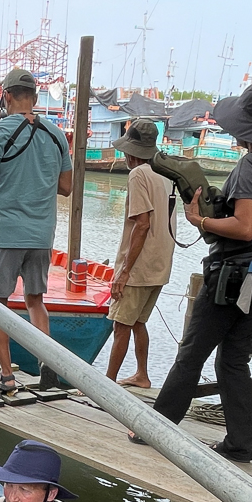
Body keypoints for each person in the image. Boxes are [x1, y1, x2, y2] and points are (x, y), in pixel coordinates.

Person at [146, 80, 252, 462]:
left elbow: (246, 227)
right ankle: (239, 443)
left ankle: (156, 430)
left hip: (234, 276)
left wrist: (199, 220)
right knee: (234, 358)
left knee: (192, 353)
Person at [0, 68, 73, 393]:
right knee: (35, 300)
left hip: (7, 233)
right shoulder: (56, 134)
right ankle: (48, 363)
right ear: (35, 95)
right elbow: (67, 186)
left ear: (7, 96)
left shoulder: (0, 132)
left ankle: (6, 376)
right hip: (42, 234)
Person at [104, 119, 175, 390]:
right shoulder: (165, 172)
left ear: (131, 151)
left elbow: (142, 224)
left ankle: (107, 385)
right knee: (138, 322)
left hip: (139, 265)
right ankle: (142, 375)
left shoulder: (138, 175)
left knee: (121, 325)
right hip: (160, 263)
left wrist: (123, 272)